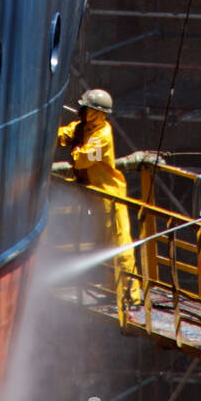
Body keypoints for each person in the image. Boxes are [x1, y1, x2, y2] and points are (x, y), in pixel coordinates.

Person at [56, 89, 141, 307]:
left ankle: (130, 295)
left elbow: (83, 160)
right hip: (95, 196)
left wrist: (74, 148)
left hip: (110, 196)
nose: (80, 110)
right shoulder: (83, 128)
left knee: (121, 247)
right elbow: (64, 135)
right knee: (104, 246)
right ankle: (114, 290)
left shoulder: (102, 136)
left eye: (85, 107)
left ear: (96, 112)